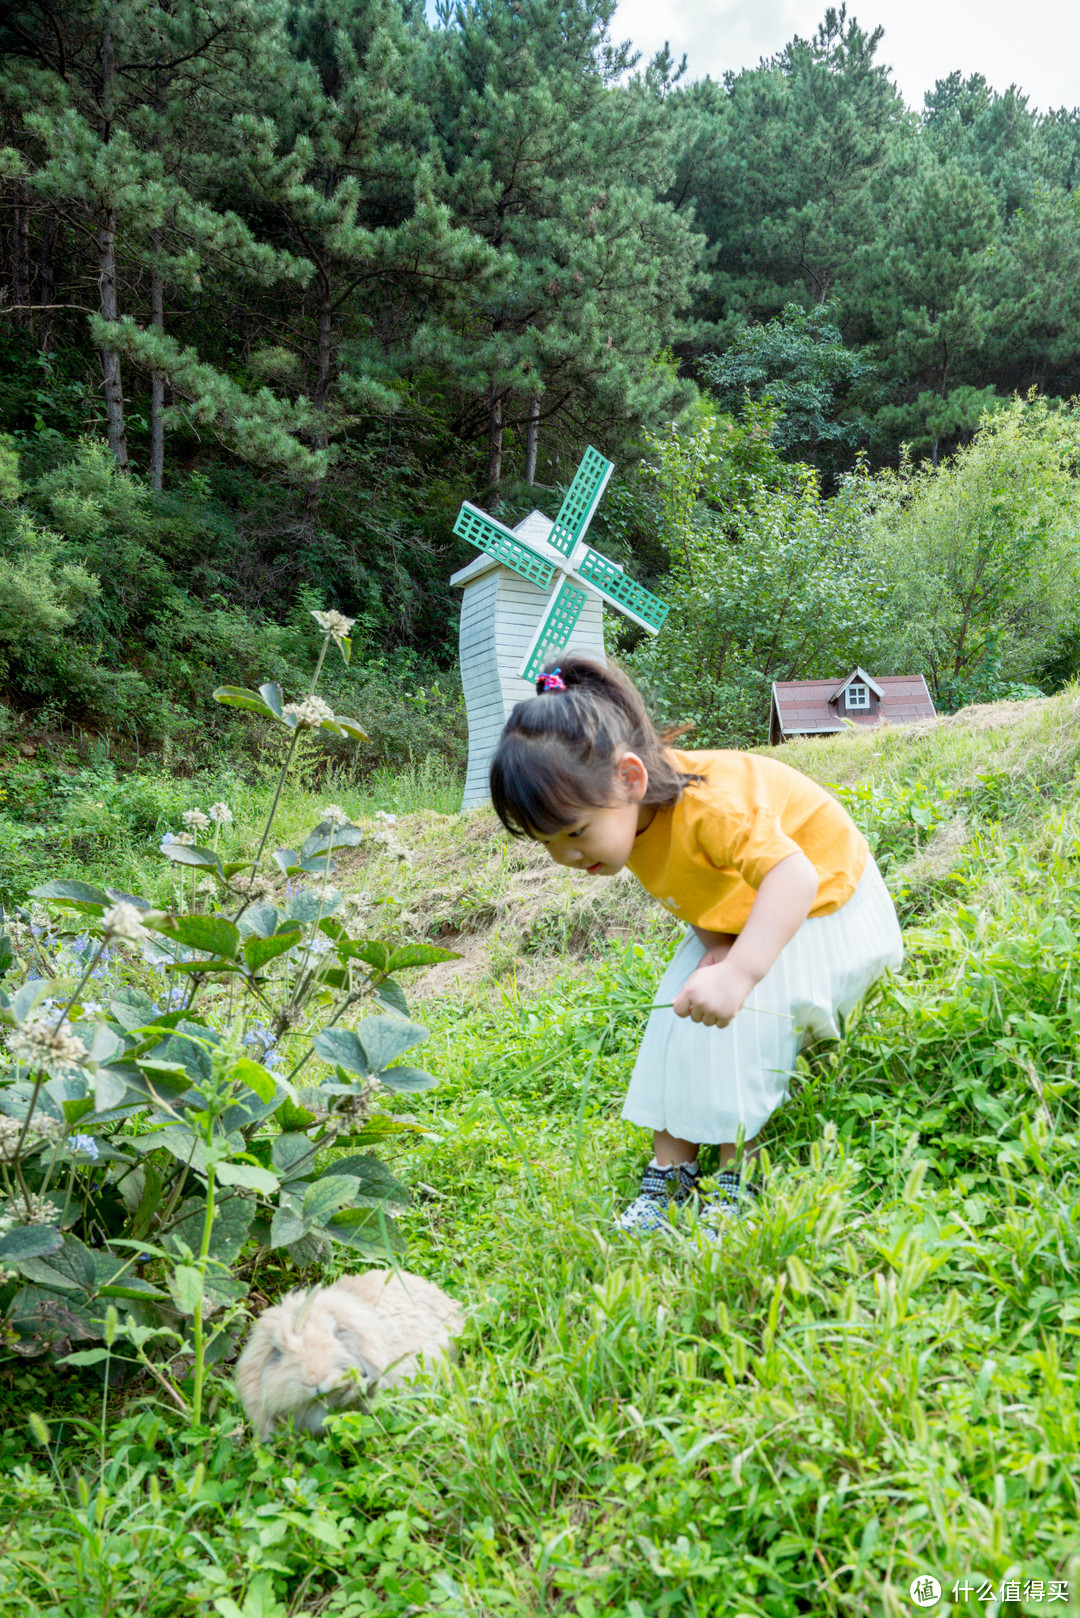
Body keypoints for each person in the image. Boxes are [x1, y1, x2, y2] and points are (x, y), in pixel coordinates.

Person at [488, 656, 904, 1236]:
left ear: (630, 778)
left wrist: (739, 972)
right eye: (549, 843)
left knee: (742, 1023)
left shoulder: (710, 804)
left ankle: (741, 1173)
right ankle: (672, 1170)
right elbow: (695, 888)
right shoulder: (628, 822)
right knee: (675, 1014)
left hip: (830, 906)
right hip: (753, 909)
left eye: (575, 833)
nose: (568, 858)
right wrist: (715, 946)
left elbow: (795, 876)